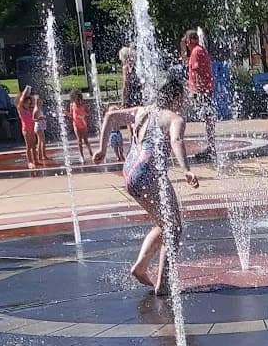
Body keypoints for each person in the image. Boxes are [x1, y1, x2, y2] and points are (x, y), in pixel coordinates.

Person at [94, 75, 198, 293]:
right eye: (184, 98)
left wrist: (102, 149)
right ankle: (164, 283)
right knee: (174, 227)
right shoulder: (174, 118)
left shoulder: (142, 111)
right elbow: (176, 141)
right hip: (149, 174)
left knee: (165, 224)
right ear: (177, 98)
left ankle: (141, 267)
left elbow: (111, 117)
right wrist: (186, 169)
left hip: (130, 172)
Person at [180, 29, 217, 161]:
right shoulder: (200, 50)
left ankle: (177, 142)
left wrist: (200, 91)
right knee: (208, 119)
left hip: (201, 92)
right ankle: (211, 147)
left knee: (181, 114)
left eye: (186, 41)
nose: (186, 44)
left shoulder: (196, 52)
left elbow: (199, 72)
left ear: (190, 40)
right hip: (205, 91)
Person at [15, 86, 38, 172]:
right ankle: (30, 162)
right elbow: (21, 100)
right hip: (26, 129)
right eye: (27, 103)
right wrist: (25, 91)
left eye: (29, 103)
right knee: (28, 146)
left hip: (31, 129)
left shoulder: (28, 110)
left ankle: (35, 160)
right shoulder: (20, 109)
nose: (28, 105)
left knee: (33, 145)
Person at [69, 90, 92, 163]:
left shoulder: (83, 105)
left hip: (83, 123)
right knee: (79, 141)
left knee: (85, 140)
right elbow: (71, 115)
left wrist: (84, 114)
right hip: (76, 124)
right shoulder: (72, 105)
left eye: (79, 100)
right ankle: (82, 156)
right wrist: (66, 114)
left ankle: (90, 152)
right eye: (76, 100)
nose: (78, 102)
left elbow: (88, 113)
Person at [33, 93, 48, 167]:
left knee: (40, 142)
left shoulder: (39, 108)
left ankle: (40, 155)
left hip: (41, 126)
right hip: (38, 127)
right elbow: (33, 119)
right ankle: (43, 155)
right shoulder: (36, 109)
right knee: (42, 141)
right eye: (41, 101)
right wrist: (40, 119)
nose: (42, 102)